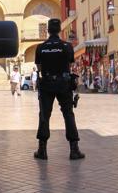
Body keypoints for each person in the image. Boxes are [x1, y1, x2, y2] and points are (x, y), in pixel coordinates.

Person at [34, 18, 85, 160]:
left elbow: (39, 67)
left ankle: (42, 150)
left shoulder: (41, 47)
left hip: (47, 83)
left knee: (44, 115)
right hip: (64, 83)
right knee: (68, 114)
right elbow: (69, 63)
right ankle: (74, 150)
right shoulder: (66, 46)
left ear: (48, 30)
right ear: (60, 30)